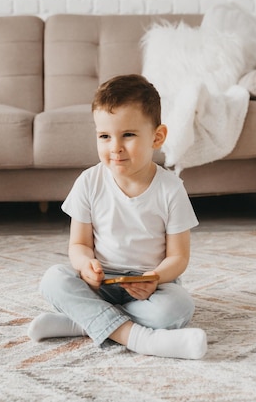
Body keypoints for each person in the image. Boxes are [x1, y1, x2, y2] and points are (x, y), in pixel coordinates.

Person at [27, 74, 207, 360]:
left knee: (178, 308)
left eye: (128, 135)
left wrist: (155, 276)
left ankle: (82, 322)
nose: (115, 147)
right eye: (105, 136)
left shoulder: (171, 189)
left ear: (157, 137)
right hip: (100, 285)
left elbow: (179, 258)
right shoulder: (89, 182)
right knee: (53, 279)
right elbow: (79, 246)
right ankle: (136, 337)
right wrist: (86, 266)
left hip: (150, 287)